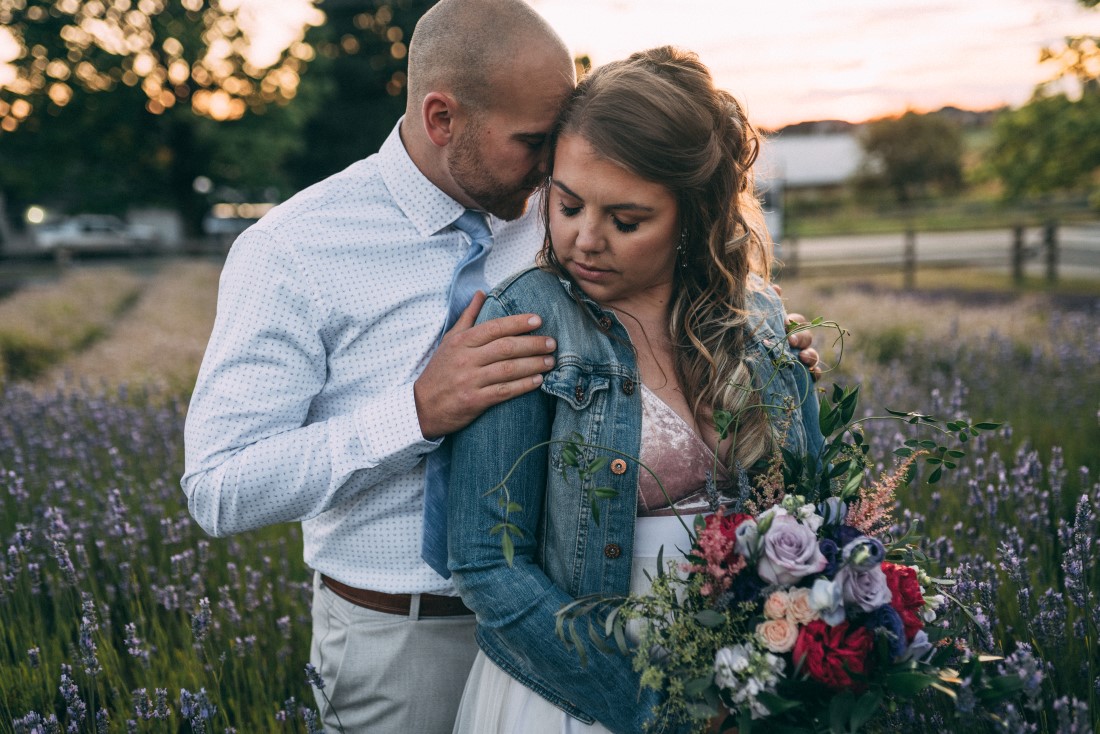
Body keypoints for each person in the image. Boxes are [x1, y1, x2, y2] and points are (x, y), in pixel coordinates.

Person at [182, 1, 817, 731]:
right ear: (443, 119)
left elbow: (663, 291)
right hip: (401, 636)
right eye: (535, 142)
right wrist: (416, 412)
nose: (556, 170)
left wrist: (756, 346)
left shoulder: (566, 209)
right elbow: (218, 487)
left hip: (576, 618)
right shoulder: (293, 251)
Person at [446, 46, 825, 734]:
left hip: (750, 686)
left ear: (694, 215)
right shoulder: (526, 322)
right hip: (581, 690)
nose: (583, 240)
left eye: (626, 221)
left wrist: (784, 662)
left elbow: (814, 511)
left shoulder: (761, 321)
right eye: (565, 204)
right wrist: (648, 707)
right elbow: (484, 563)